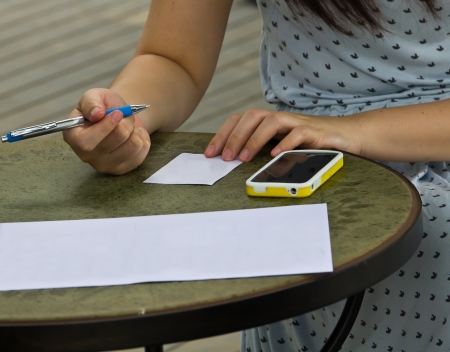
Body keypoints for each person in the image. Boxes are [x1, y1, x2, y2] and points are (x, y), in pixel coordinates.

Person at [63, 0, 450, 350]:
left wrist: (355, 130)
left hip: (423, 141)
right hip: (302, 153)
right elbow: (172, 56)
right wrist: (123, 120)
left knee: (430, 231)